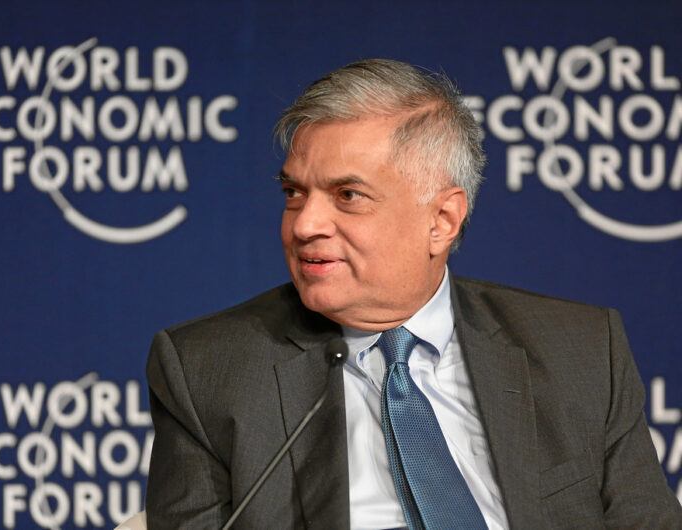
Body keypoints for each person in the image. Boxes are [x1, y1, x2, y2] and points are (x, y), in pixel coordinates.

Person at [145, 59, 682, 529]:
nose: (304, 224)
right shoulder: (207, 371)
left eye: (347, 195)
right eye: (294, 193)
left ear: (442, 220)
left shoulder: (580, 351)